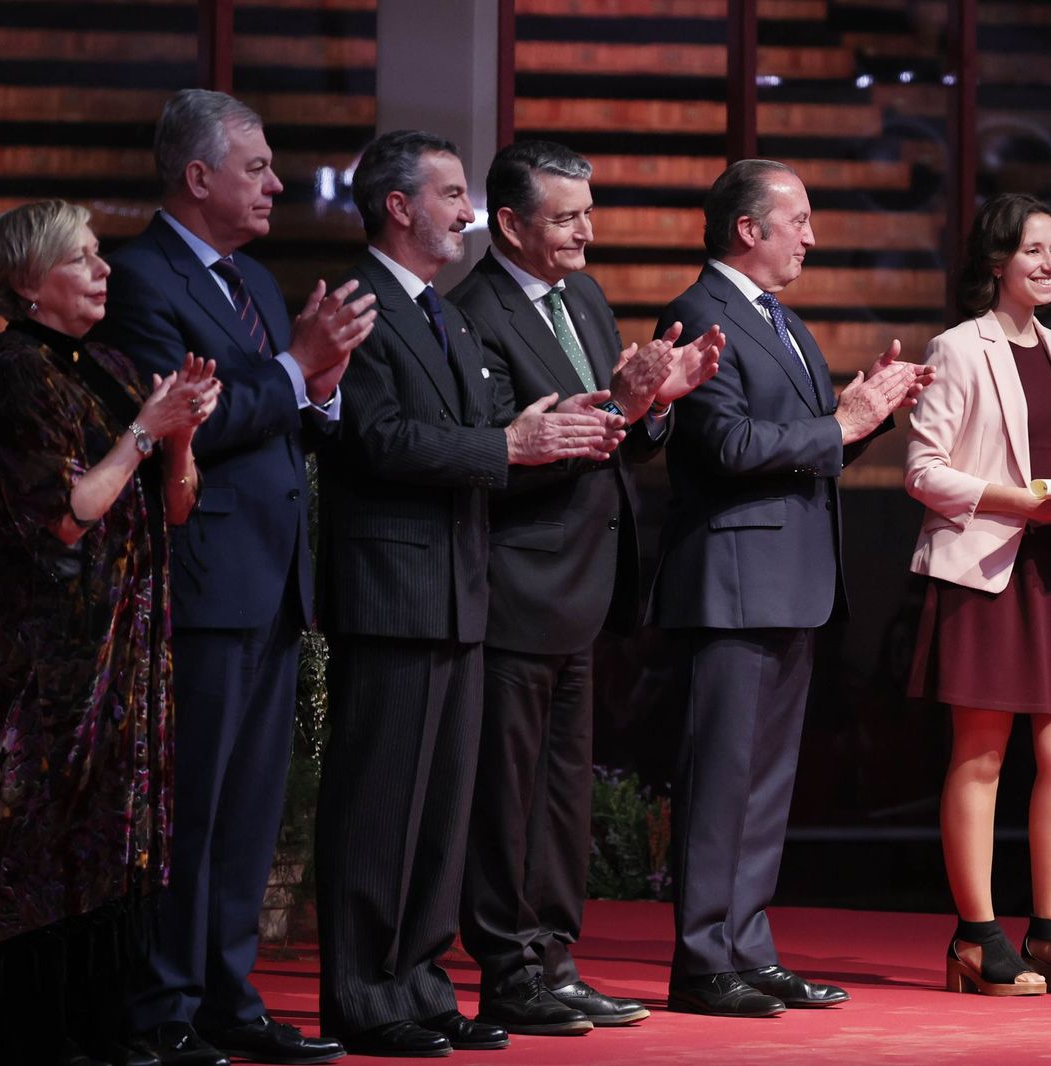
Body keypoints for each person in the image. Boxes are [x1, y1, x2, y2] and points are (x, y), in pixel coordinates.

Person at [313, 129, 623, 1058]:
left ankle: (416, 982)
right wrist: (509, 446)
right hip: (393, 588)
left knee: (439, 813)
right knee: (379, 808)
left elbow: (490, 426)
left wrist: (558, 421)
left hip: (458, 589)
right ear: (398, 206)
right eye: (450, 194)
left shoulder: (439, 313)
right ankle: (364, 996)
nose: (466, 211)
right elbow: (382, 440)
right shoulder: (361, 307)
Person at [94, 89, 373, 1066]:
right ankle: (162, 1003)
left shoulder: (250, 274)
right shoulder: (138, 276)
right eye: (257, 167)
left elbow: (282, 406)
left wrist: (321, 388)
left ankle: (229, 993)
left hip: (270, 575)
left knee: (252, 804)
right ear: (198, 175)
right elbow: (189, 412)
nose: (277, 184)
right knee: (193, 804)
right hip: (200, 576)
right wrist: (298, 367)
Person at [446, 139, 722, 1036]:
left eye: (586, 213)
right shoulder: (473, 313)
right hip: (516, 578)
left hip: (586, 582)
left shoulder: (586, 299)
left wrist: (659, 402)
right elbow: (499, 451)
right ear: (512, 223)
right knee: (507, 793)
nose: (584, 232)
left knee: (563, 792)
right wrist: (624, 409)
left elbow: (624, 433)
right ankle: (507, 966)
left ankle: (555, 959)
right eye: (564, 218)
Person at [653, 159, 927, 1017]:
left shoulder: (786, 322)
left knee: (767, 781)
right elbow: (726, 446)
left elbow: (813, 443)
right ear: (749, 229)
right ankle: (703, 961)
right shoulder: (700, 316)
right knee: (722, 777)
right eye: (798, 220)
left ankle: (748, 946)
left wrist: (864, 418)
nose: (811, 236)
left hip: (791, 580)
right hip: (733, 581)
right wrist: (838, 421)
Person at [0, 199, 219, 1065]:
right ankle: (47, 1038)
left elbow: (176, 506)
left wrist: (178, 439)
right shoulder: (15, 377)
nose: (105, 270)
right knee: (50, 844)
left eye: (100, 254)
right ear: (31, 283)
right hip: (52, 659)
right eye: (83, 259)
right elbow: (66, 515)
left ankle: (113, 1025)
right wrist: (148, 431)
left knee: (119, 838)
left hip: (128, 645)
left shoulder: (106, 363)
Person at [905, 192, 1051, 997]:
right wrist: (1018, 501)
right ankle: (976, 936)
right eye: (1035, 250)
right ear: (997, 261)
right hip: (988, 564)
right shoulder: (958, 348)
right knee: (983, 751)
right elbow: (923, 472)